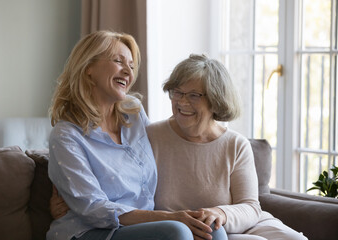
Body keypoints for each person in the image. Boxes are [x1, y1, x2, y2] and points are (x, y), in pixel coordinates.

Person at [47, 30, 227, 240]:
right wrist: (170, 217)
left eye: (131, 66)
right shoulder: (66, 135)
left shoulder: (133, 112)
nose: (128, 71)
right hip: (91, 231)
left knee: (211, 228)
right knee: (175, 231)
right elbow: (93, 209)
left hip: (144, 227)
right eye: (118, 61)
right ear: (88, 67)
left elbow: (167, 140)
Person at [146, 54, 308, 240]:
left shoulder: (235, 144)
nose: (182, 102)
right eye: (177, 92)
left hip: (239, 223)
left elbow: (250, 206)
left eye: (193, 95)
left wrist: (220, 213)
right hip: (192, 231)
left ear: (215, 100)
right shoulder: (152, 137)